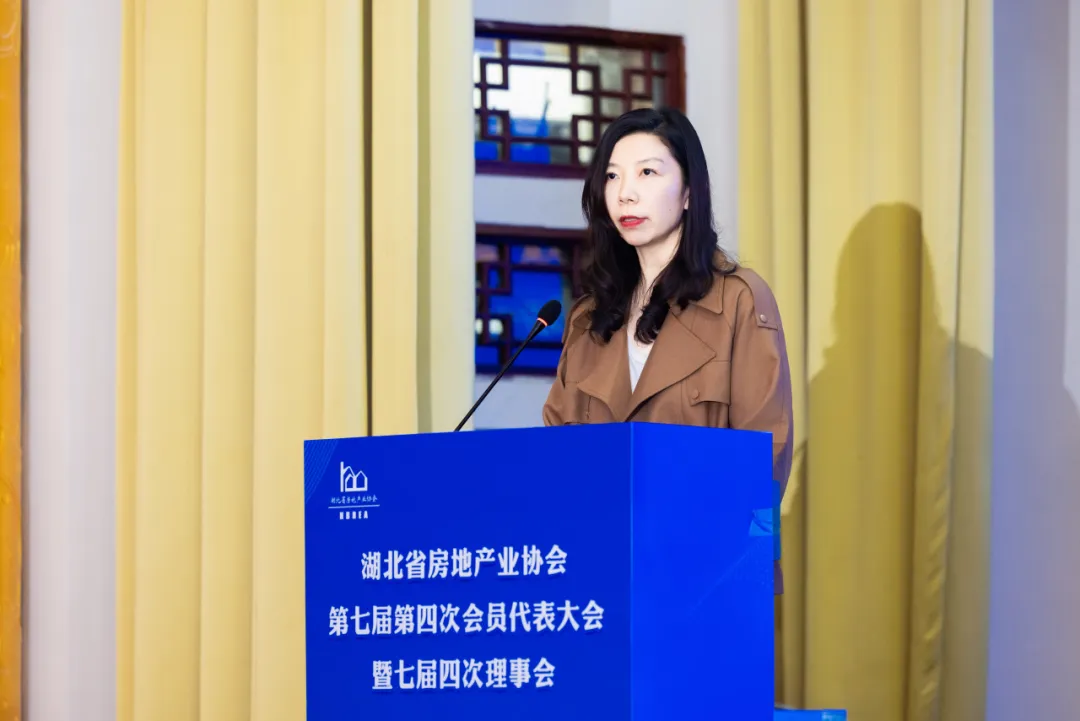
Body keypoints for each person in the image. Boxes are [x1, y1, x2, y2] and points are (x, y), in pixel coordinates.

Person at [541, 107, 794, 588]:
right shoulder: (589, 318)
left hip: (706, 574)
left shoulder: (738, 299)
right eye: (612, 176)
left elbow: (766, 454)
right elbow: (558, 455)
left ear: (689, 192)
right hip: (601, 574)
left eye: (647, 173)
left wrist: (737, 568)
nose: (625, 192)